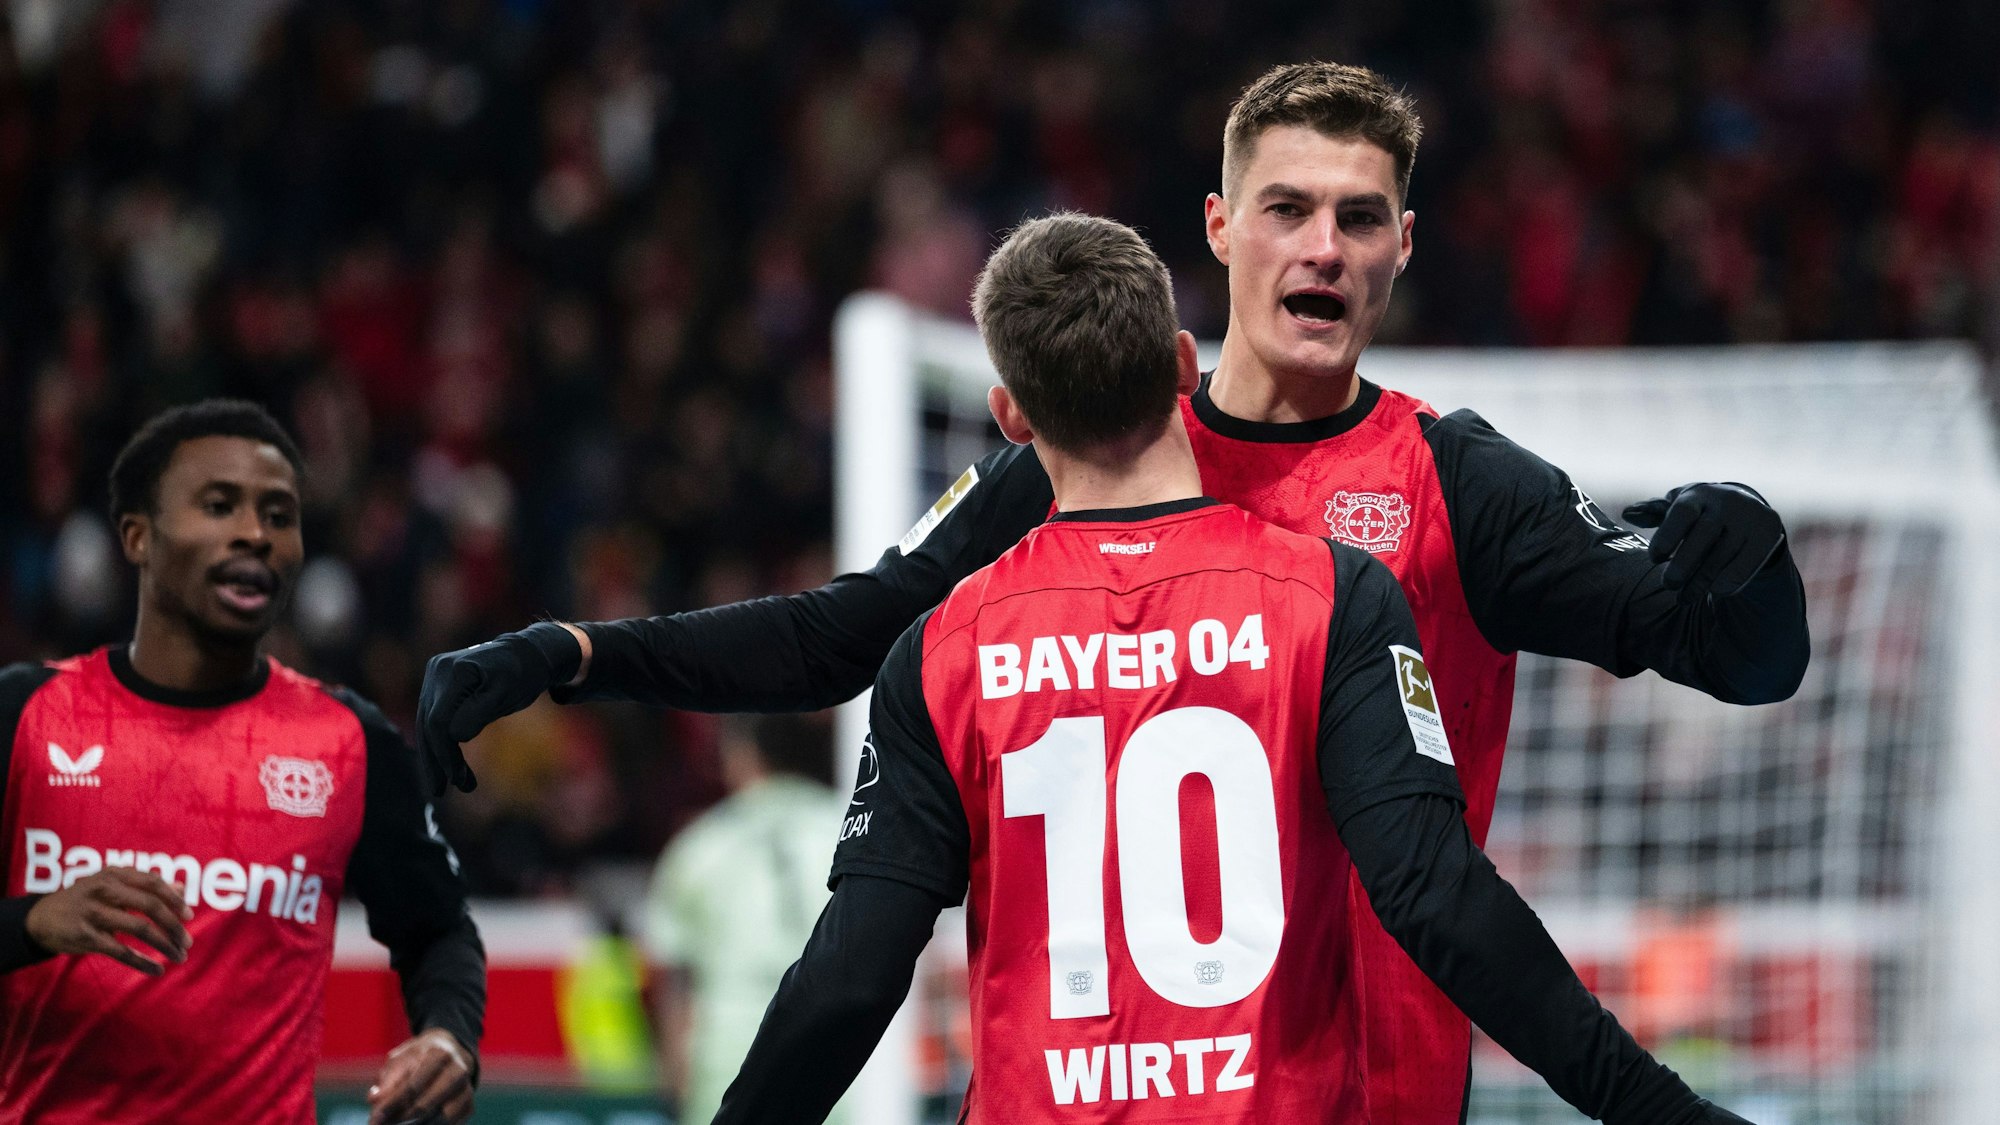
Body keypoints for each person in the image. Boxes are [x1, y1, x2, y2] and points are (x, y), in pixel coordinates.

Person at [418, 62, 1809, 1123]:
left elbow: (1742, 661)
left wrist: (1749, 553)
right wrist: (580, 650)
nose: (1322, 247)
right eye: (1287, 209)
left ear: (1401, 245)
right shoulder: (1090, 451)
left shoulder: (1457, 484)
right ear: (1220, 227)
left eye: (1357, 217)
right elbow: (839, 633)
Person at [710, 212, 1751, 1122]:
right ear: (1181, 366)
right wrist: (1659, 1111)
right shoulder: (1331, 596)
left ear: (1012, 419)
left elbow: (849, 982)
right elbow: (1437, 898)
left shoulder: (943, 649)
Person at [0, 400, 484, 1125]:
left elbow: (439, 930)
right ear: (137, 536)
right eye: (219, 505)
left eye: (279, 515)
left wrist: (448, 1037)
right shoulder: (25, 716)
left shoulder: (348, 741)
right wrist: (31, 920)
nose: (255, 534)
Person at [642, 715, 853, 1125]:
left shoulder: (699, 846)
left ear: (741, 754)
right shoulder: (853, 830)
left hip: (729, 1059)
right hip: (841, 1057)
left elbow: (674, 977)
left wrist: (674, 1073)